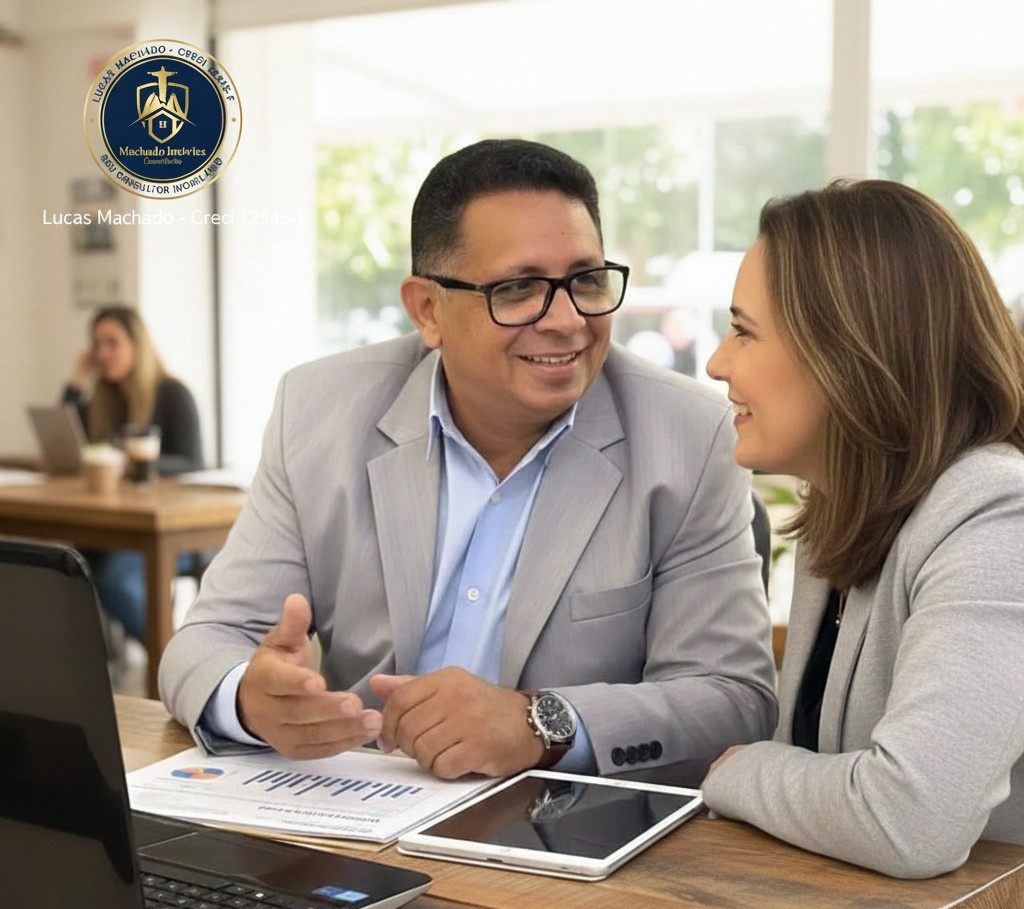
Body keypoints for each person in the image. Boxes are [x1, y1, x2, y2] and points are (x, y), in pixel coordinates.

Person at [160, 138, 776, 781]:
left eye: (587, 281)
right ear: (428, 310)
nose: (567, 320)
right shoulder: (320, 412)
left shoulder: (687, 435)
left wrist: (541, 724)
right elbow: (206, 640)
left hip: (566, 817)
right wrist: (249, 700)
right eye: (519, 289)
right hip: (359, 802)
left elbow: (732, 698)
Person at [701, 179, 1024, 909]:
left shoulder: (998, 512)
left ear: (846, 350)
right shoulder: (843, 510)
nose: (717, 363)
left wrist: (740, 771)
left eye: (743, 331)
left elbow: (910, 818)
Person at [63, 305, 204, 642]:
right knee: (66, 570)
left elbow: (193, 463)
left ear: (137, 345)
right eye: (96, 345)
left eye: (112, 343)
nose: (102, 353)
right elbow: (66, 441)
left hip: (171, 531)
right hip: (114, 527)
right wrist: (76, 384)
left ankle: (170, 658)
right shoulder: (102, 401)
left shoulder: (173, 394)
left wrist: (137, 463)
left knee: (113, 578)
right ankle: (101, 661)